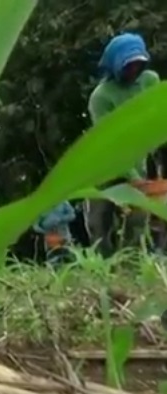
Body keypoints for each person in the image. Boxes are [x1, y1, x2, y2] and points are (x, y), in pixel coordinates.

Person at [85, 33, 160, 257]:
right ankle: (101, 267)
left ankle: (130, 264)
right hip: (103, 168)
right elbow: (110, 142)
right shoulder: (101, 97)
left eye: (138, 64)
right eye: (128, 65)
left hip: (137, 160)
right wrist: (133, 178)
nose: (134, 69)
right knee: (100, 224)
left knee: (138, 218)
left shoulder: (150, 81)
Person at [33, 201, 76, 266]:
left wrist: (61, 219)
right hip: (50, 237)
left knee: (68, 255)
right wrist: (44, 229)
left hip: (63, 235)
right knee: (53, 258)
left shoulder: (63, 202)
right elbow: (35, 225)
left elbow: (72, 215)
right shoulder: (39, 205)